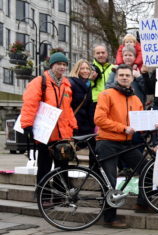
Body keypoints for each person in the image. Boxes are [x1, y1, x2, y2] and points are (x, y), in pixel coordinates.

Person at [94, 64, 156, 228]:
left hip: (126, 143)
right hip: (107, 142)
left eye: (127, 75)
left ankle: (142, 203)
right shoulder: (106, 94)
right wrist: (122, 128)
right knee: (110, 180)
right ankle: (109, 218)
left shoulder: (135, 99)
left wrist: (152, 125)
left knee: (146, 169)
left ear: (132, 78)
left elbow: (139, 123)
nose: (124, 78)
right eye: (121, 75)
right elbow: (99, 119)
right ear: (116, 77)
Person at [20, 52, 77, 185]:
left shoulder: (66, 84)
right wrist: (27, 125)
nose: (62, 67)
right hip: (45, 133)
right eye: (59, 64)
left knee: (62, 167)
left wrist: (73, 127)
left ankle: (60, 196)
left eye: (64, 64)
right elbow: (30, 104)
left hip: (63, 134)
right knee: (44, 167)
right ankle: (43, 196)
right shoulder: (40, 82)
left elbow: (68, 109)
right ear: (52, 65)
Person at [69, 59, 96, 167]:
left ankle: (94, 170)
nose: (85, 71)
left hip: (87, 122)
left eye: (87, 68)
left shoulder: (88, 84)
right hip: (75, 122)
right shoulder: (72, 83)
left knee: (93, 148)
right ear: (77, 70)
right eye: (82, 68)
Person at [91, 44, 114, 111]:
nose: (101, 55)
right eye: (98, 53)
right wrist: (91, 80)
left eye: (103, 53)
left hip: (111, 101)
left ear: (107, 54)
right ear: (94, 55)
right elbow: (85, 86)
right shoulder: (88, 68)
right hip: (95, 101)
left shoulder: (114, 68)